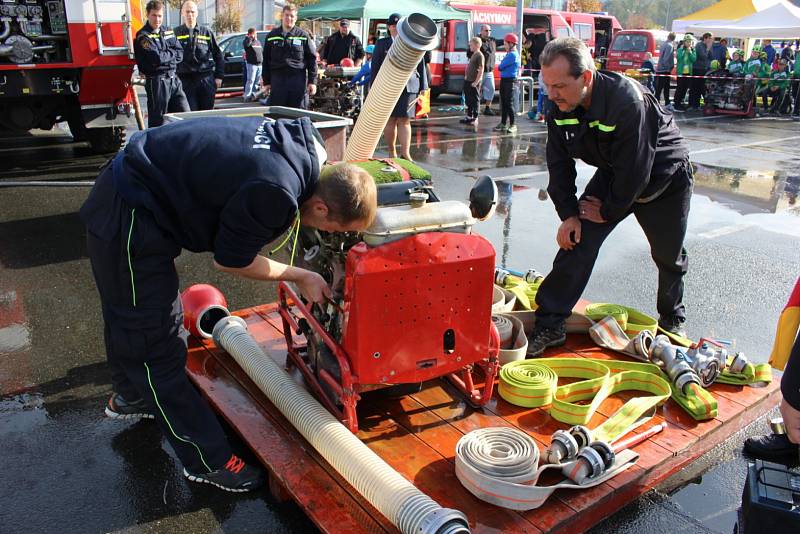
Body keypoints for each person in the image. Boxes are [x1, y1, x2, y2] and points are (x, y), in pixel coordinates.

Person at [80, 116, 377, 492]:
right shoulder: (276, 191)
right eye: (336, 230)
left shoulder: (303, 145)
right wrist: (301, 275)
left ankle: (131, 395)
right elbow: (231, 260)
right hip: (130, 213)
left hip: (132, 187)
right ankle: (206, 461)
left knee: (127, 306)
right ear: (320, 208)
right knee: (155, 341)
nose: (329, 235)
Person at [527, 37, 692, 356]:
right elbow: (558, 164)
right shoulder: (560, 105)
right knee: (577, 240)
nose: (552, 94)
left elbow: (637, 170)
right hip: (616, 172)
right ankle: (550, 324)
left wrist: (610, 209)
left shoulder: (627, 101)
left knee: (667, 255)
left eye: (559, 85)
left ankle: (672, 318)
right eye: (547, 85)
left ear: (585, 77)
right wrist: (570, 215)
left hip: (662, 177)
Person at [371, 13, 427, 161]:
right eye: (392, 25)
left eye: (397, 26)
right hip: (388, 86)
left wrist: (424, 86)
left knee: (405, 120)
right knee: (390, 120)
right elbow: (375, 67)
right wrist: (373, 87)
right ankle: (392, 152)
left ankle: (406, 153)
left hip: (409, 86)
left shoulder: (411, 42)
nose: (395, 28)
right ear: (388, 27)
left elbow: (420, 64)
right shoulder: (382, 43)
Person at [134, 0, 190, 127]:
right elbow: (156, 59)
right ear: (147, 15)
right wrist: (170, 54)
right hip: (157, 82)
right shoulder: (143, 36)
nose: (157, 19)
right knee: (158, 122)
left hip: (174, 80)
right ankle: (154, 147)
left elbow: (180, 52)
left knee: (185, 116)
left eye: (160, 16)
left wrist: (165, 56)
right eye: (154, 15)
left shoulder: (168, 31)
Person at [262, 4, 318, 109]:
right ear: (282, 16)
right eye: (287, 15)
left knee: (298, 116)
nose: (289, 18)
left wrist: (312, 82)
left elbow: (312, 60)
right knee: (277, 115)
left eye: (292, 16)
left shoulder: (303, 36)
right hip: (277, 82)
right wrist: (266, 82)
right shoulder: (271, 36)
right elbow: (266, 61)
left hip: (297, 82)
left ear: (296, 18)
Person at [174, 1, 224, 112]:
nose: (190, 15)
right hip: (185, 80)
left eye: (192, 12)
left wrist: (219, 76)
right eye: (187, 12)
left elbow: (218, 54)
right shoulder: (176, 33)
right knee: (190, 113)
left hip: (205, 79)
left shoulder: (206, 32)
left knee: (206, 114)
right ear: (182, 13)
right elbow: (171, 56)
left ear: (197, 13)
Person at [494, 33, 520, 134]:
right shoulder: (510, 54)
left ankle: (513, 124)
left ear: (511, 44)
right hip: (505, 80)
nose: (504, 45)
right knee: (504, 103)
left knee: (509, 103)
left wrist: (502, 66)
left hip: (510, 81)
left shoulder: (512, 55)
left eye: (505, 44)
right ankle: (503, 123)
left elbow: (500, 67)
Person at [461, 37, 484, 125]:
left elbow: (481, 69)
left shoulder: (479, 55)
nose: (470, 46)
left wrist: (476, 82)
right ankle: (469, 116)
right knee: (469, 99)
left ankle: (475, 117)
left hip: (474, 81)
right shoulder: (473, 54)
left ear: (477, 45)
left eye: (471, 45)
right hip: (468, 80)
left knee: (475, 99)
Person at [689, 32, 712, 109]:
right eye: (709, 38)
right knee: (695, 87)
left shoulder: (707, 46)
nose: (710, 40)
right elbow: (703, 56)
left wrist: (709, 49)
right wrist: (708, 49)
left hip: (704, 69)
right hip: (697, 69)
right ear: (705, 38)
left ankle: (698, 104)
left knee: (701, 87)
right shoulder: (699, 45)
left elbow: (711, 57)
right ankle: (692, 104)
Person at [478, 25, 497, 116]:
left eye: (489, 30)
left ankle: (487, 108)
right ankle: (474, 108)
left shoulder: (492, 40)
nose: (488, 32)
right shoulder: (477, 41)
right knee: (476, 90)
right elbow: (469, 53)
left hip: (490, 71)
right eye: (486, 30)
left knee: (491, 89)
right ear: (481, 31)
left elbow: (503, 42)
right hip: (480, 71)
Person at [673, 35, 696, 111]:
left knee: (685, 88)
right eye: (687, 41)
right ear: (684, 42)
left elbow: (694, 59)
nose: (689, 43)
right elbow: (678, 58)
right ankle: (676, 104)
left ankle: (681, 103)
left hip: (688, 73)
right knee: (680, 88)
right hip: (681, 72)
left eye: (690, 42)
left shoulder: (693, 49)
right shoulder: (680, 49)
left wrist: (690, 52)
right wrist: (683, 51)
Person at [655, 32, 676, 109]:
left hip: (660, 69)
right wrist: (669, 67)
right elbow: (666, 59)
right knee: (665, 87)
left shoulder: (663, 44)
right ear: (674, 39)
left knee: (660, 87)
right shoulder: (670, 46)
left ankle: (662, 102)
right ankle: (664, 103)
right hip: (665, 70)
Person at [242, 28, 263, 102]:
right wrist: (249, 38)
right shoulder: (247, 41)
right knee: (250, 81)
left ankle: (254, 96)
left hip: (259, 65)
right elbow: (246, 45)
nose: (255, 35)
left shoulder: (258, 42)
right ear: (250, 34)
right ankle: (247, 96)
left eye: (255, 33)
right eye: (254, 33)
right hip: (252, 64)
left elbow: (260, 52)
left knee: (256, 82)